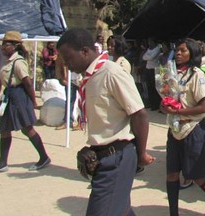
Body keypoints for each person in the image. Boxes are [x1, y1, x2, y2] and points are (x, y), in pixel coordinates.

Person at [57, 28, 154, 215]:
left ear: (85, 51)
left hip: (117, 157)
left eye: (69, 59)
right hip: (103, 156)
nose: (67, 66)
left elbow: (139, 114)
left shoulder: (111, 72)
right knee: (121, 210)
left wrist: (141, 154)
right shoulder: (89, 77)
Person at [161, 38, 205, 216]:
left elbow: (203, 106)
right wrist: (165, 106)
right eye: (177, 50)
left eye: (183, 50)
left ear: (192, 54)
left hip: (193, 129)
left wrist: (178, 112)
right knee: (172, 174)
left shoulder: (197, 74)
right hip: (175, 130)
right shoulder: (172, 75)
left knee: (198, 176)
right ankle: (173, 213)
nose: (178, 53)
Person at [0, 31, 51, 174]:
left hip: (19, 97)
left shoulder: (18, 62)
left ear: (14, 46)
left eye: (6, 44)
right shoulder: (7, 61)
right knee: (5, 129)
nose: (3, 47)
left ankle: (44, 157)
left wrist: (33, 101)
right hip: (10, 96)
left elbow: (27, 83)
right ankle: (2, 163)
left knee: (27, 128)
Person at [54, 53, 80, 130]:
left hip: (80, 78)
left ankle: (81, 122)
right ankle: (68, 121)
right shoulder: (63, 51)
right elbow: (59, 64)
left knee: (82, 101)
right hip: (69, 79)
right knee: (69, 101)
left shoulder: (81, 49)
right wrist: (61, 79)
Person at [143, 37, 162, 110]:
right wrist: (148, 56)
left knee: (155, 88)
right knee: (149, 87)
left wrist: (148, 56)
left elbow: (151, 57)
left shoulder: (157, 49)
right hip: (148, 69)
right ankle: (151, 104)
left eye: (150, 41)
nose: (149, 43)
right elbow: (144, 57)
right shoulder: (149, 49)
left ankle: (156, 104)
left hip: (154, 69)